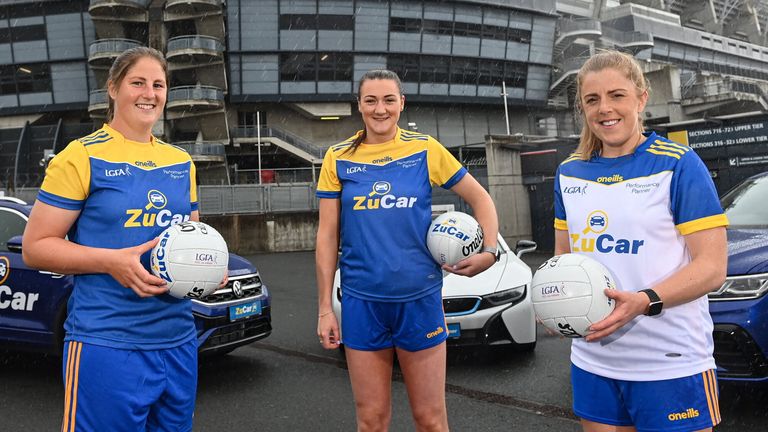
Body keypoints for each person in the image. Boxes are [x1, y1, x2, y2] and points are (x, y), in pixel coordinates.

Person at [23, 47, 214, 432]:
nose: (150, 93)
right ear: (112, 88)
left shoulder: (181, 162)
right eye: (137, 82)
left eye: (158, 84)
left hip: (177, 341)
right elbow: (36, 246)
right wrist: (111, 261)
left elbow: (190, 238)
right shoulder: (79, 157)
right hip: (106, 343)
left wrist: (207, 268)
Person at [553, 50, 728, 432]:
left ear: (641, 97)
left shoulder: (679, 164)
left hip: (671, 360)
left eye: (617, 95)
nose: (605, 109)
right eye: (592, 99)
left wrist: (644, 301)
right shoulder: (569, 172)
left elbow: (712, 268)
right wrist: (553, 303)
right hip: (593, 360)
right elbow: (563, 259)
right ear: (582, 107)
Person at [315, 69, 499, 431]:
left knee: (430, 419)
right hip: (362, 302)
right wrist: (325, 308)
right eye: (371, 100)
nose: (379, 109)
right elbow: (326, 235)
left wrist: (489, 251)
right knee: (371, 420)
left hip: (419, 299)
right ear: (359, 106)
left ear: (402, 103)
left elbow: (481, 198)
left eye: (388, 100)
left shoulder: (424, 149)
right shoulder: (337, 157)